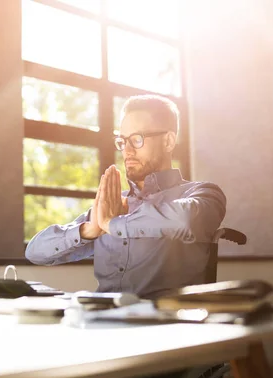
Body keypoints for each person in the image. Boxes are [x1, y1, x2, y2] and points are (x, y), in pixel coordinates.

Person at [25, 94, 226, 299]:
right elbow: (34, 253)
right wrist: (89, 230)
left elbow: (184, 219)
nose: (127, 150)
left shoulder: (204, 193)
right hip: (102, 321)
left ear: (168, 141)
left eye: (137, 139)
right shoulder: (112, 205)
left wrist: (114, 224)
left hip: (163, 323)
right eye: (122, 141)